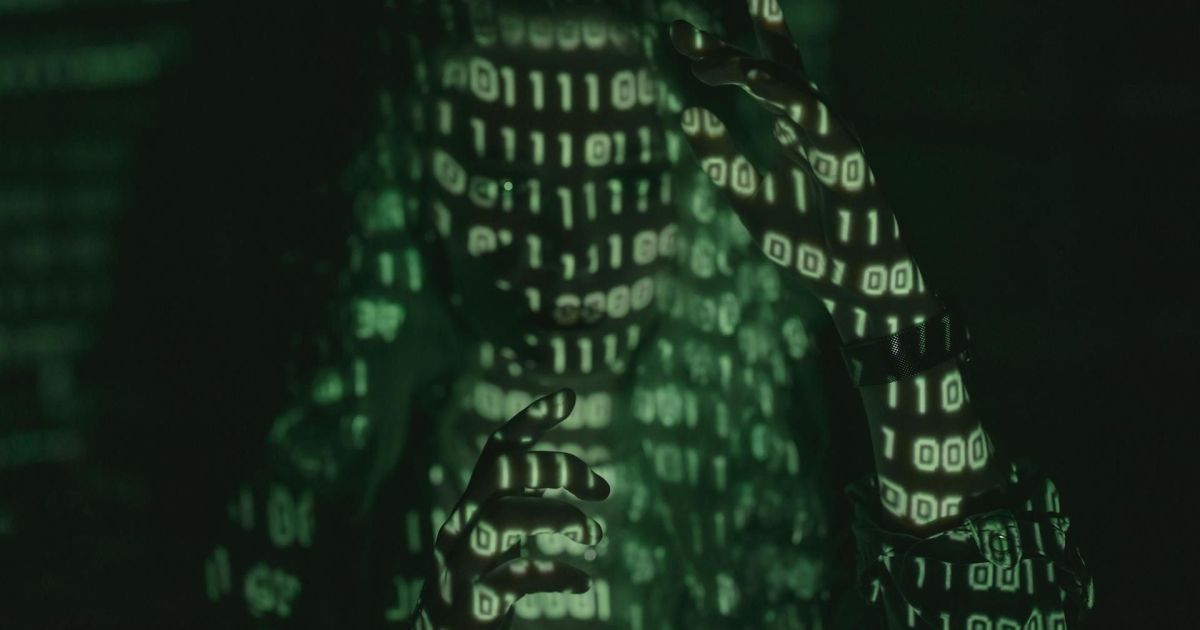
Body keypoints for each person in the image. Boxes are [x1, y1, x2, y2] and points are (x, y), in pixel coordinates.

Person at [202, 2, 1093, 628]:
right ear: (419, 189)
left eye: (622, 178)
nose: (569, 241)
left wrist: (893, 324)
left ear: (688, 195)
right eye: (507, 179)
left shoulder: (800, 479)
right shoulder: (318, 500)